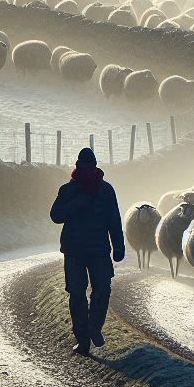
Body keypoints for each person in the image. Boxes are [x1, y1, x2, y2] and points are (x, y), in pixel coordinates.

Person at [50, 146, 126, 356]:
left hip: (99, 250)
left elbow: (114, 219)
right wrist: (76, 204)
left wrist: (118, 246)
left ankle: (94, 328)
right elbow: (55, 215)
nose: (86, 169)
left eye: (89, 165)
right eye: (82, 165)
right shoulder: (67, 190)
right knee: (76, 293)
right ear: (77, 166)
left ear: (94, 166)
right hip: (74, 251)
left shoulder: (106, 190)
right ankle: (82, 338)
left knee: (102, 289)